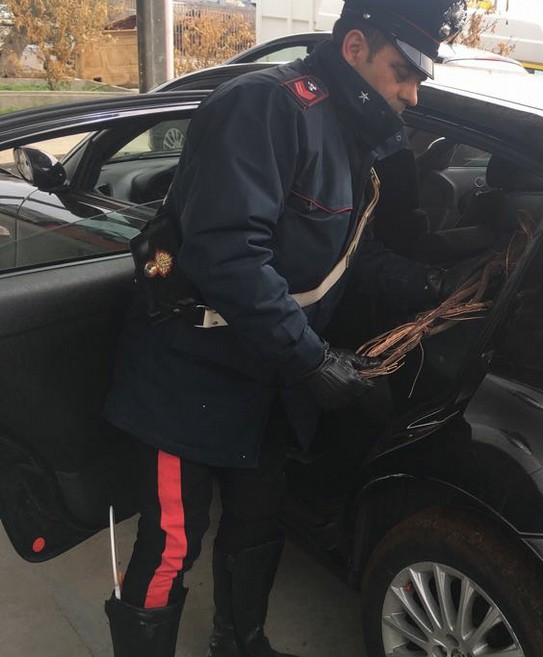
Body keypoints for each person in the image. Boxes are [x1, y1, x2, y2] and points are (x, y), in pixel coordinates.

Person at [101, 1, 467, 656]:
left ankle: (241, 645)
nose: (411, 94)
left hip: (267, 372)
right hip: (190, 365)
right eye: (401, 73)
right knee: (172, 540)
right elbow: (227, 254)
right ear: (354, 46)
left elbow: (346, 253)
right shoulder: (266, 107)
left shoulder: (358, 129)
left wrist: (434, 286)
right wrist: (311, 358)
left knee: (258, 523)